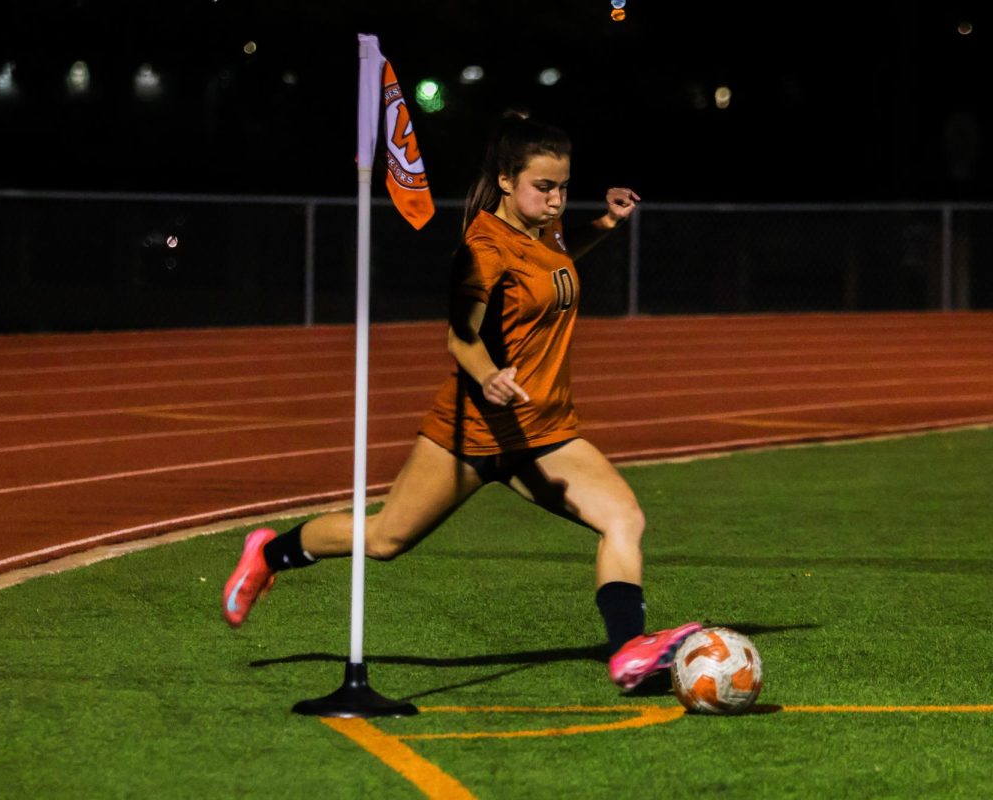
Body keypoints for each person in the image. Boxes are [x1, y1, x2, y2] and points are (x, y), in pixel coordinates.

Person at [222, 112, 700, 691]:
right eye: (543, 187)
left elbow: (556, 259)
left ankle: (629, 655)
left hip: (543, 432)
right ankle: (271, 553)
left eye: (563, 188)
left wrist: (605, 221)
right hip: (471, 432)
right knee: (385, 540)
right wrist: (490, 375)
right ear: (506, 180)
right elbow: (460, 336)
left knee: (623, 517)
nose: (555, 201)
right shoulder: (483, 248)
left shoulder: (541, 232)